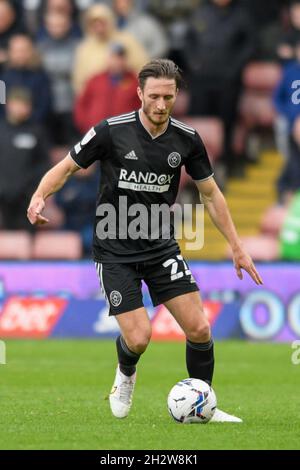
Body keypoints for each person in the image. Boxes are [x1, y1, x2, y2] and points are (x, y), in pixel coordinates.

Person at [27, 59, 263, 422]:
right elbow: (68, 166)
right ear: (139, 93)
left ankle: (203, 404)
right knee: (139, 337)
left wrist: (237, 246)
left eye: (168, 97)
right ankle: (125, 373)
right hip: (114, 250)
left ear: (176, 96)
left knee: (200, 328)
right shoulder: (110, 131)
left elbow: (211, 194)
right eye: (153, 96)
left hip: (160, 247)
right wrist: (40, 195)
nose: (160, 104)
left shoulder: (187, 139)